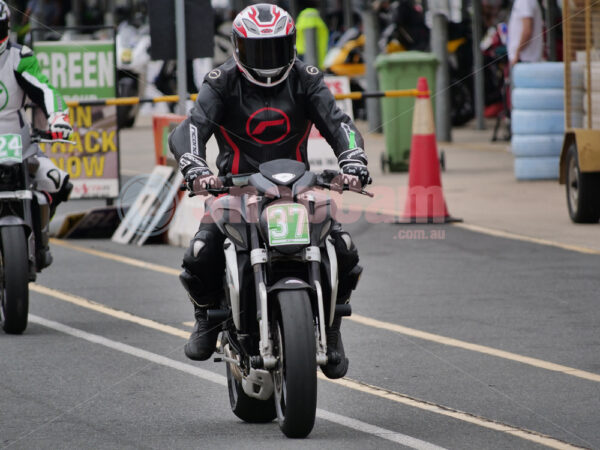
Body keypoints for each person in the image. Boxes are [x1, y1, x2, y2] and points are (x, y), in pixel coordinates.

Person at [169, 3, 369, 380]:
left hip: (299, 187)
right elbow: (191, 128)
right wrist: (196, 168)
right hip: (236, 189)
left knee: (344, 250)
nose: (267, 58)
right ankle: (207, 319)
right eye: (257, 49)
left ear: (290, 45)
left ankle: (333, 328)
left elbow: (337, 121)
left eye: (275, 47)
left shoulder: (306, 78)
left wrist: (353, 160)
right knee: (200, 254)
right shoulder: (220, 81)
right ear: (238, 47)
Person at [0, 1, 73, 221]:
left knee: (58, 182)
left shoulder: (19, 57)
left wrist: (58, 116)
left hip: (17, 145)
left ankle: (41, 237)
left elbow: (44, 89)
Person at [507, 0, 543, 66]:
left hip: (525, 61)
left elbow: (527, 31)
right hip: (525, 61)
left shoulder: (524, 1)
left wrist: (517, 54)